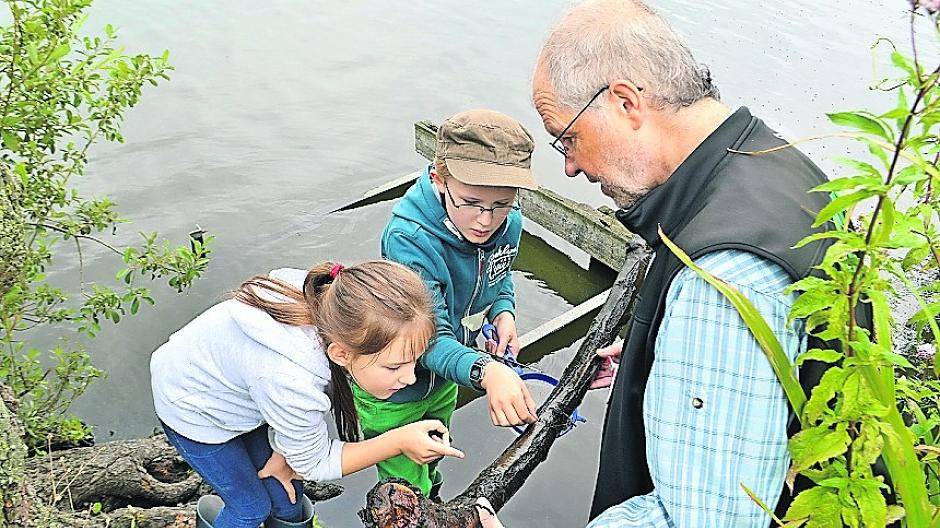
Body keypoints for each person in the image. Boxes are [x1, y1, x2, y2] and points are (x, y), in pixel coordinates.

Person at [523, 0, 836, 526]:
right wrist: (661, 353)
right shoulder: (777, 164)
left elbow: (705, 519)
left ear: (625, 102)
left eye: (568, 139)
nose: (571, 167)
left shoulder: (722, 281)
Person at [150, 261, 464, 528]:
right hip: (192, 408)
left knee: (288, 501)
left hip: (246, 388)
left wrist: (285, 448)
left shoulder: (340, 304)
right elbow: (315, 463)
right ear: (340, 354)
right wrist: (400, 440)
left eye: (415, 360)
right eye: (394, 366)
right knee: (250, 509)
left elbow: (290, 418)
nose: (409, 377)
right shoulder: (291, 380)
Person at [358, 109, 539, 499]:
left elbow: (500, 273)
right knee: (403, 491)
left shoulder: (509, 223)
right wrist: (488, 371)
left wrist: (503, 310)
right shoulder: (409, 240)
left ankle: (430, 487)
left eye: (502, 204)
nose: (486, 221)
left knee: (432, 451)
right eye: (472, 202)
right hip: (396, 388)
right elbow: (427, 337)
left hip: (447, 377)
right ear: (439, 179)